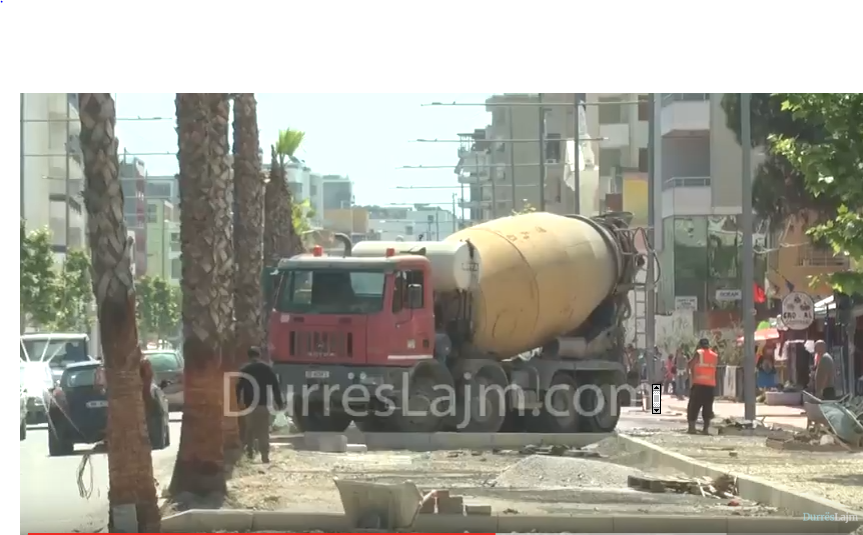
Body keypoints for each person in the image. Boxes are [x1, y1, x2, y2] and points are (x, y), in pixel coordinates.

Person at [236, 346, 284, 462]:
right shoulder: (267, 369)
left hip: (249, 405)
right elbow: (275, 386)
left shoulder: (245, 369)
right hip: (263, 404)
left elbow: (238, 388)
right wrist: (279, 402)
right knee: (263, 431)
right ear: (259, 355)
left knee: (250, 430)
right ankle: (264, 456)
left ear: (249, 356)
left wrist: (238, 401)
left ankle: (250, 453)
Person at [686, 338, 718, 435]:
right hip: (710, 386)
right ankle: (705, 429)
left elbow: (690, 365)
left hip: (699, 385)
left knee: (693, 407)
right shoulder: (714, 355)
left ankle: (692, 428)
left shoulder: (699, 353)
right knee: (707, 407)